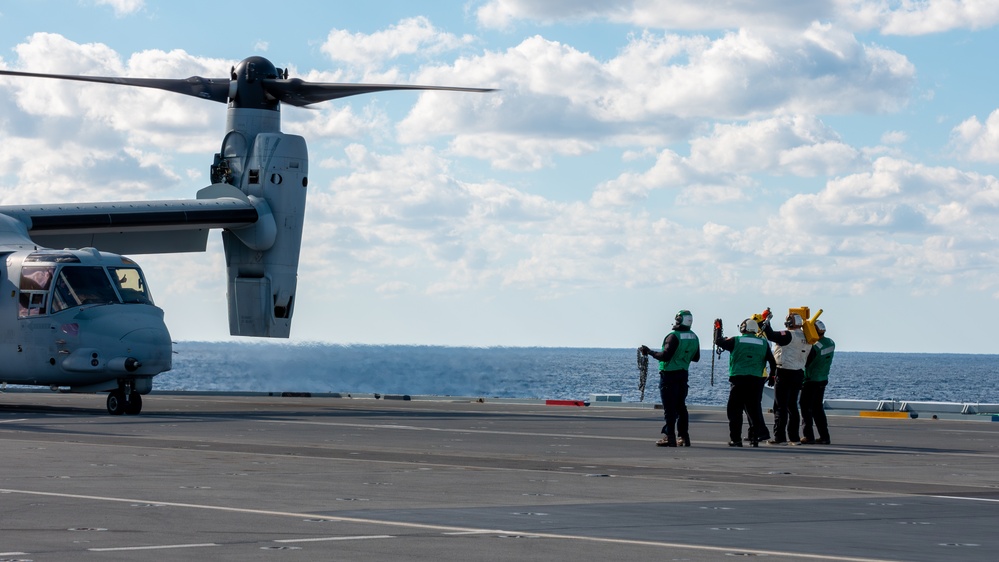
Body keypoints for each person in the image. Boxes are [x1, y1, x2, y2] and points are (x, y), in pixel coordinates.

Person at [641, 309, 700, 447]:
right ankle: (684, 437)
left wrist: (649, 352)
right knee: (681, 407)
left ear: (679, 320)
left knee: (669, 408)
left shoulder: (673, 336)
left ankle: (670, 437)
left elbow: (665, 356)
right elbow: (696, 358)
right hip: (683, 374)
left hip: (669, 375)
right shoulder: (694, 337)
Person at [714, 317, 776, 447]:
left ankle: (736, 439)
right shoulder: (763, 343)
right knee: (753, 410)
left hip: (739, 380)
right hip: (756, 381)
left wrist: (718, 328)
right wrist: (771, 376)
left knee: (735, 411)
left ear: (743, 328)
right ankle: (754, 439)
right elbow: (772, 362)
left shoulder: (736, 340)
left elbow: (718, 341)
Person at [763, 310, 812, 444]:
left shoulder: (788, 335)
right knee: (792, 406)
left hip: (784, 372)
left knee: (780, 407)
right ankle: (794, 438)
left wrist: (766, 322)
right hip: (798, 373)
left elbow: (771, 335)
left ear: (789, 323)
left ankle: (780, 437)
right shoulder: (808, 337)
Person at [800, 320, 834, 444]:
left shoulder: (814, 347)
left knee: (805, 408)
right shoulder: (830, 342)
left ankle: (808, 436)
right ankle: (825, 437)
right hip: (822, 379)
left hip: (811, 380)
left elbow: (805, 362)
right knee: (818, 409)